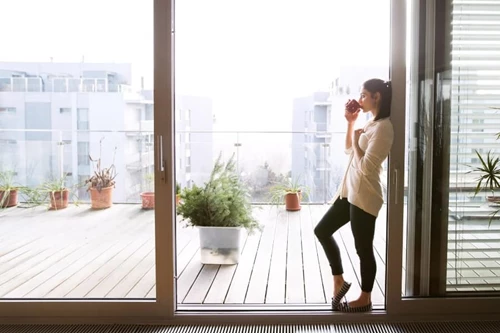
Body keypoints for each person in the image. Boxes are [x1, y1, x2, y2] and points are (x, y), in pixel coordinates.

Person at [314, 78, 394, 313]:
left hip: (365, 196)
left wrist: (359, 145)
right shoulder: (371, 123)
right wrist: (351, 123)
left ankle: (365, 297)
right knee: (322, 230)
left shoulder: (384, 128)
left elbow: (367, 167)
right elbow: (350, 149)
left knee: (363, 248)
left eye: (363, 95)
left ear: (376, 96)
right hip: (349, 192)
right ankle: (338, 279)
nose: (360, 100)